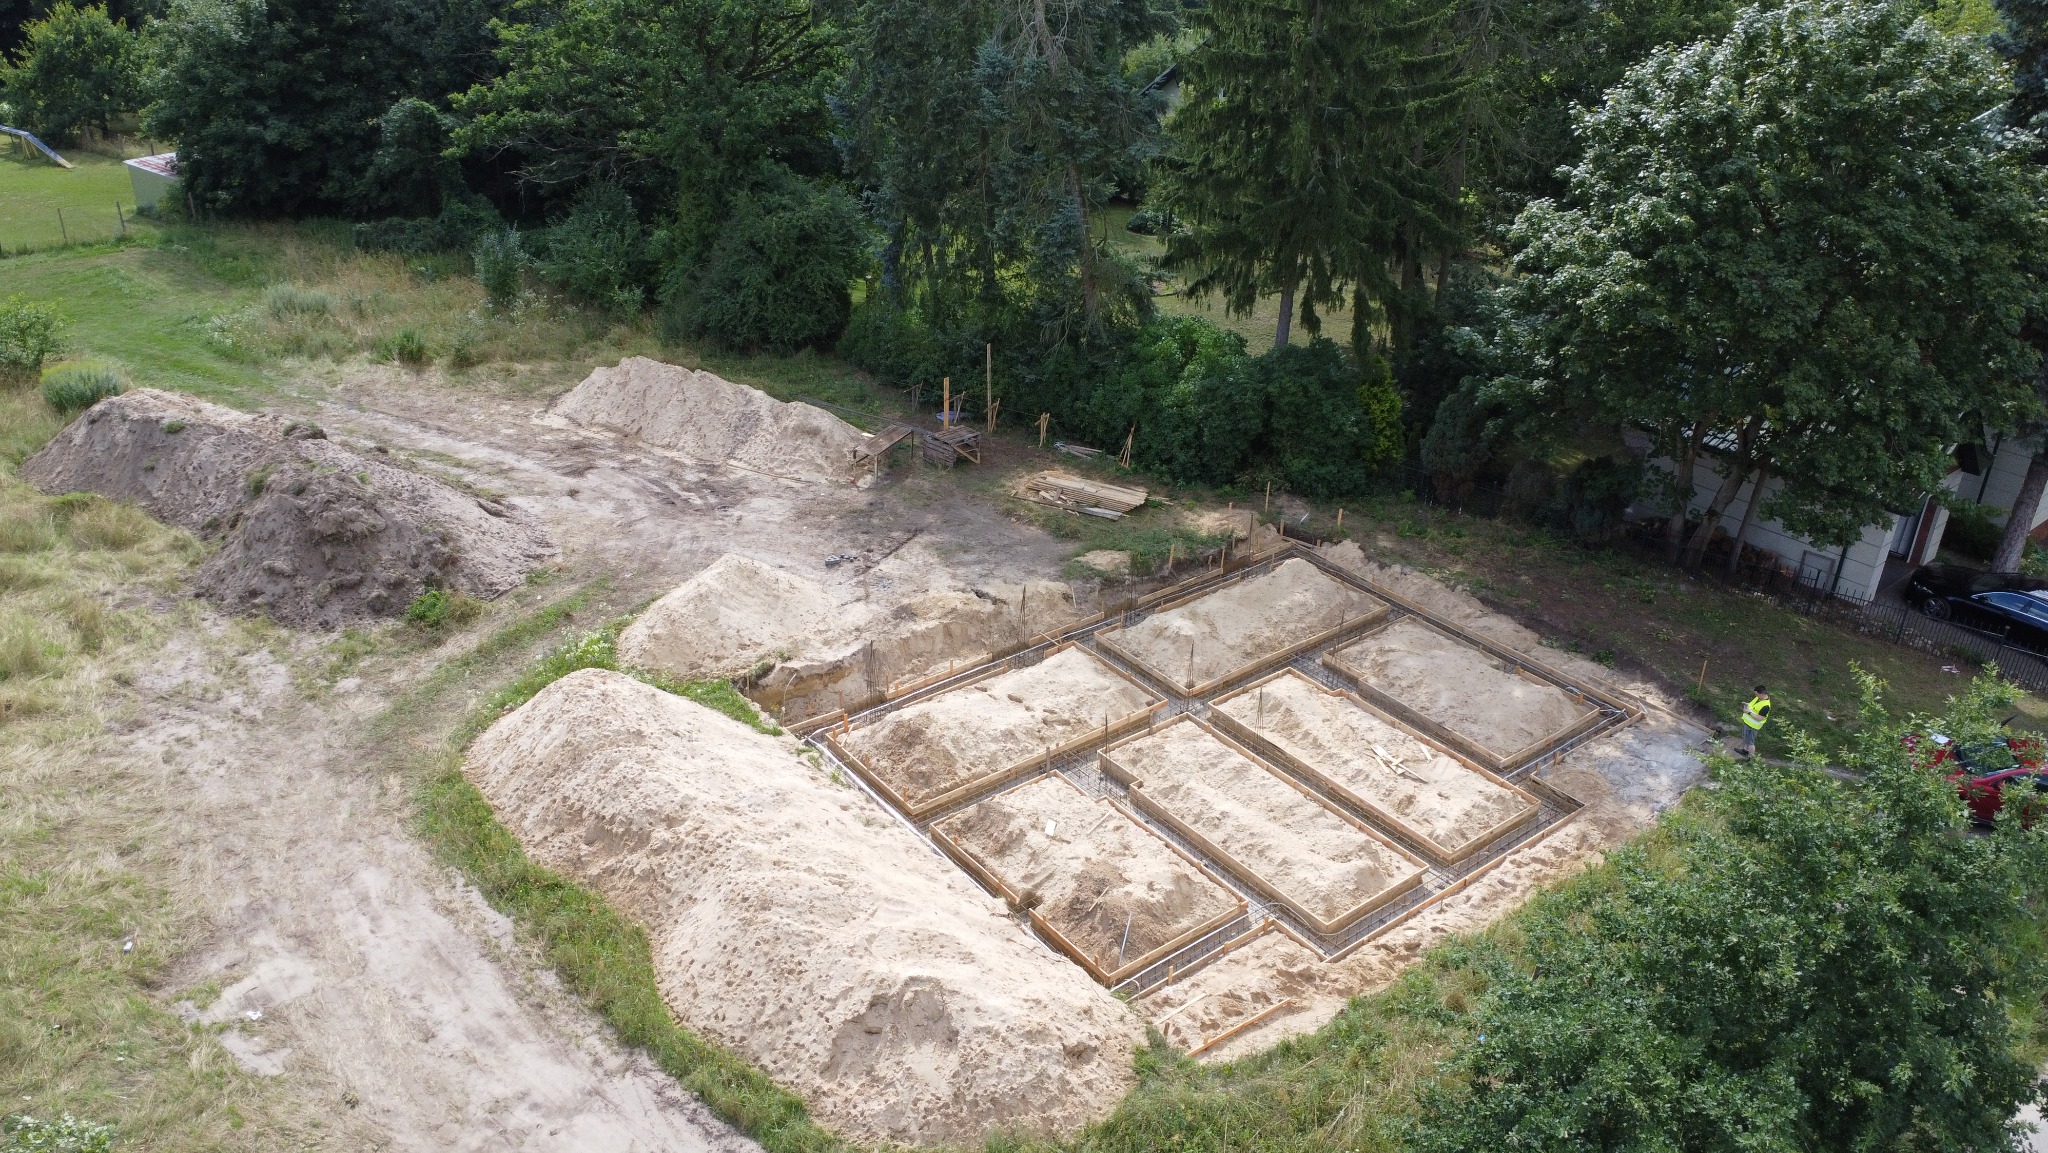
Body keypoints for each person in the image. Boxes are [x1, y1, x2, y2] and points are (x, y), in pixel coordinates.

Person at [1739, 684, 1771, 756]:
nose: (1755, 695)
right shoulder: (1758, 698)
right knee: (1746, 737)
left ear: (1762, 694)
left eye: (1757, 694)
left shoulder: (1766, 706)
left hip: (1754, 726)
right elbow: (1753, 706)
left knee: (1750, 742)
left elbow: (1759, 718)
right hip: (1748, 723)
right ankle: (1744, 751)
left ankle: (1751, 757)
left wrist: (1748, 712)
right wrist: (1747, 704)